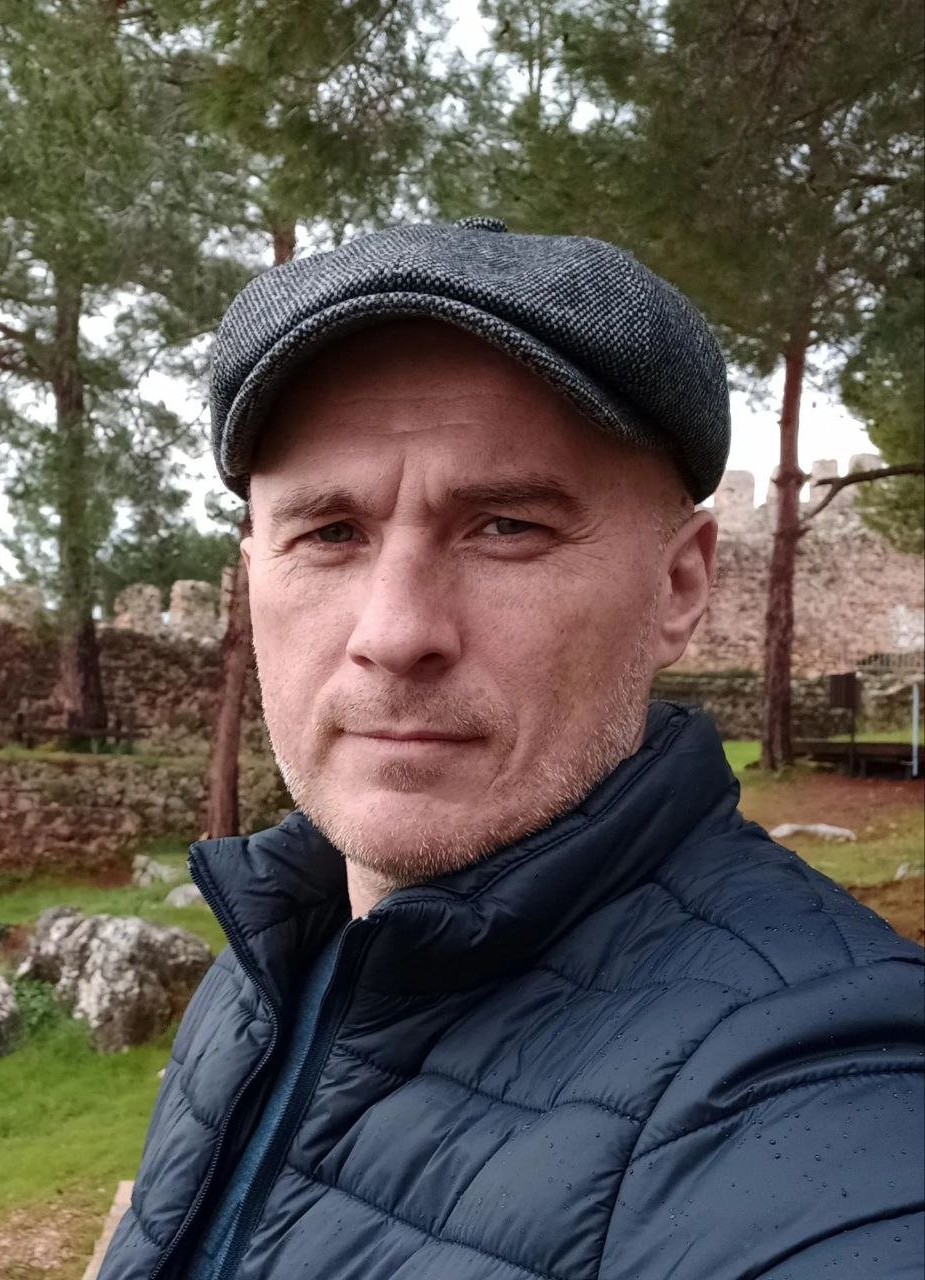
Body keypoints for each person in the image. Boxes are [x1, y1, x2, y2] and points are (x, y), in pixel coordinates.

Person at [100, 218, 924, 1280]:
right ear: (253, 574)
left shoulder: (823, 1079)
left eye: (506, 527)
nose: (395, 632)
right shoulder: (269, 967)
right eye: (330, 532)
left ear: (678, 585)